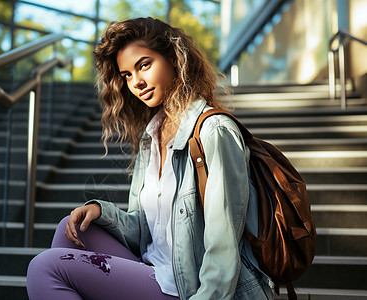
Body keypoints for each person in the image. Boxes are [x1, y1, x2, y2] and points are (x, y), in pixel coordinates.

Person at [26, 17, 273, 300]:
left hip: (187, 288)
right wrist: (102, 212)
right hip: (155, 269)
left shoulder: (213, 132)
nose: (136, 82)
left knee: (45, 268)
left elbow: (223, 244)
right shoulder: (151, 136)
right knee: (73, 229)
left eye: (144, 65)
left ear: (174, 59)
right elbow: (146, 230)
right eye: (127, 75)